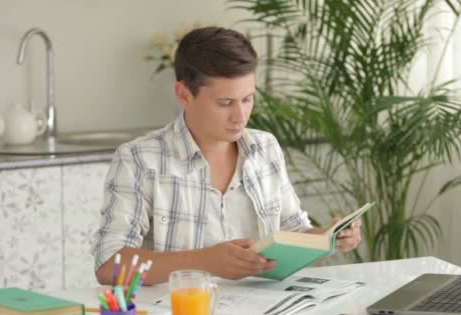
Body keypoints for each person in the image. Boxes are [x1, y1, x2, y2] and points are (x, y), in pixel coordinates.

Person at [92, 26, 362, 285]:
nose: (240, 116)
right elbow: (109, 264)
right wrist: (205, 261)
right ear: (184, 95)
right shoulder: (139, 160)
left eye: (247, 99)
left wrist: (328, 238)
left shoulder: (265, 147)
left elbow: (293, 231)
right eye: (225, 103)